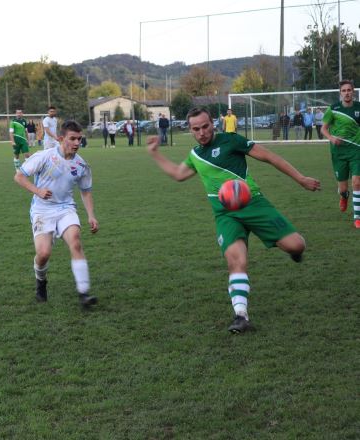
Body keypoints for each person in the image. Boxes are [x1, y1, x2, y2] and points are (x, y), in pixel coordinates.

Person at [146, 107, 320, 333]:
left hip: (254, 205)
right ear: (190, 130)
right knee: (236, 261)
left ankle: (294, 252)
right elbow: (179, 174)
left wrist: (300, 178)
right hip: (225, 214)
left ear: (213, 123)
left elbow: (269, 156)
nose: (202, 133)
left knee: (296, 245)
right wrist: (155, 153)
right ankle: (241, 316)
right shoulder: (195, 155)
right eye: (196, 129)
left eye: (205, 126)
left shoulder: (231, 140)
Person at [13, 120, 99, 307]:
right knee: (43, 254)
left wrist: (91, 215)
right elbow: (19, 176)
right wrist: (38, 191)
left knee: (75, 241)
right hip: (42, 210)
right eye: (72, 139)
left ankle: (84, 293)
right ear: (61, 138)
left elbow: (86, 191)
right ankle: (41, 281)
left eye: (79, 139)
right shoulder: (44, 156)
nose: (77, 143)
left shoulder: (82, 165)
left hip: (66, 208)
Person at [321, 79, 360, 227]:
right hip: (338, 153)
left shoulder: (359, 107)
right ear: (340, 93)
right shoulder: (333, 109)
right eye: (344, 91)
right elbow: (323, 129)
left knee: (357, 182)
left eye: (349, 90)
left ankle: (357, 217)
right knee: (343, 188)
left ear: (353, 91)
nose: (347, 93)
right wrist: (331, 138)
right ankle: (344, 196)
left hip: (356, 150)